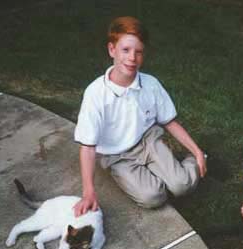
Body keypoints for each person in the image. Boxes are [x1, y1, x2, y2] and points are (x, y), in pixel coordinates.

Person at [73, 16, 207, 217]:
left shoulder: (150, 84)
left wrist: (196, 151)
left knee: (182, 186)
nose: (132, 58)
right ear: (112, 50)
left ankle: (191, 163)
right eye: (125, 50)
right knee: (153, 197)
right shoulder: (95, 93)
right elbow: (87, 147)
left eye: (139, 52)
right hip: (117, 156)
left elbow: (169, 121)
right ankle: (162, 175)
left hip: (147, 141)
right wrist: (88, 191)